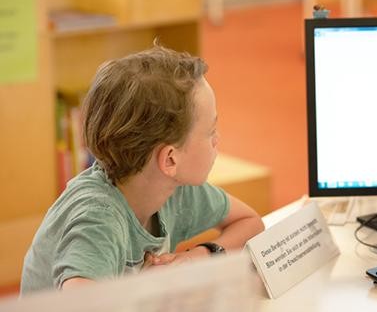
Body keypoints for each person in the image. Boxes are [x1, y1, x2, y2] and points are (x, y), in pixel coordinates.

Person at [21, 45, 265, 293]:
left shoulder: (176, 189)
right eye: (210, 131)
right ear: (170, 159)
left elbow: (250, 222)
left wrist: (198, 257)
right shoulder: (97, 220)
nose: (217, 140)